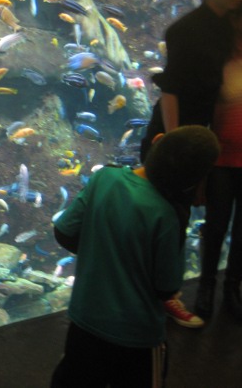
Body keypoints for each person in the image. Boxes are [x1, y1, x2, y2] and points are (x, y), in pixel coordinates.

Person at [51, 126, 220, 388]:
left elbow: (64, 232)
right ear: (196, 179)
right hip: (135, 336)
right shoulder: (166, 215)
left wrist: (102, 252)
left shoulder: (104, 177)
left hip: (84, 321)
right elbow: (166, 286)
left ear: (156, 141)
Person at [139, 0, 242, 328]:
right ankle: (158, 297)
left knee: (182, 218)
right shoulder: (185, 30)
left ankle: (172, 296)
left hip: (204, 139)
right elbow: (171, 90)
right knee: (167, 217)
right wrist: (174, 142)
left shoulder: (228, 28)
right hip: (175, 136)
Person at [195, 9, 242, 321]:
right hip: (222, 160)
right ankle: (206, 286)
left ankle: (232, 287)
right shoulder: (218, 63)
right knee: (215, 226)